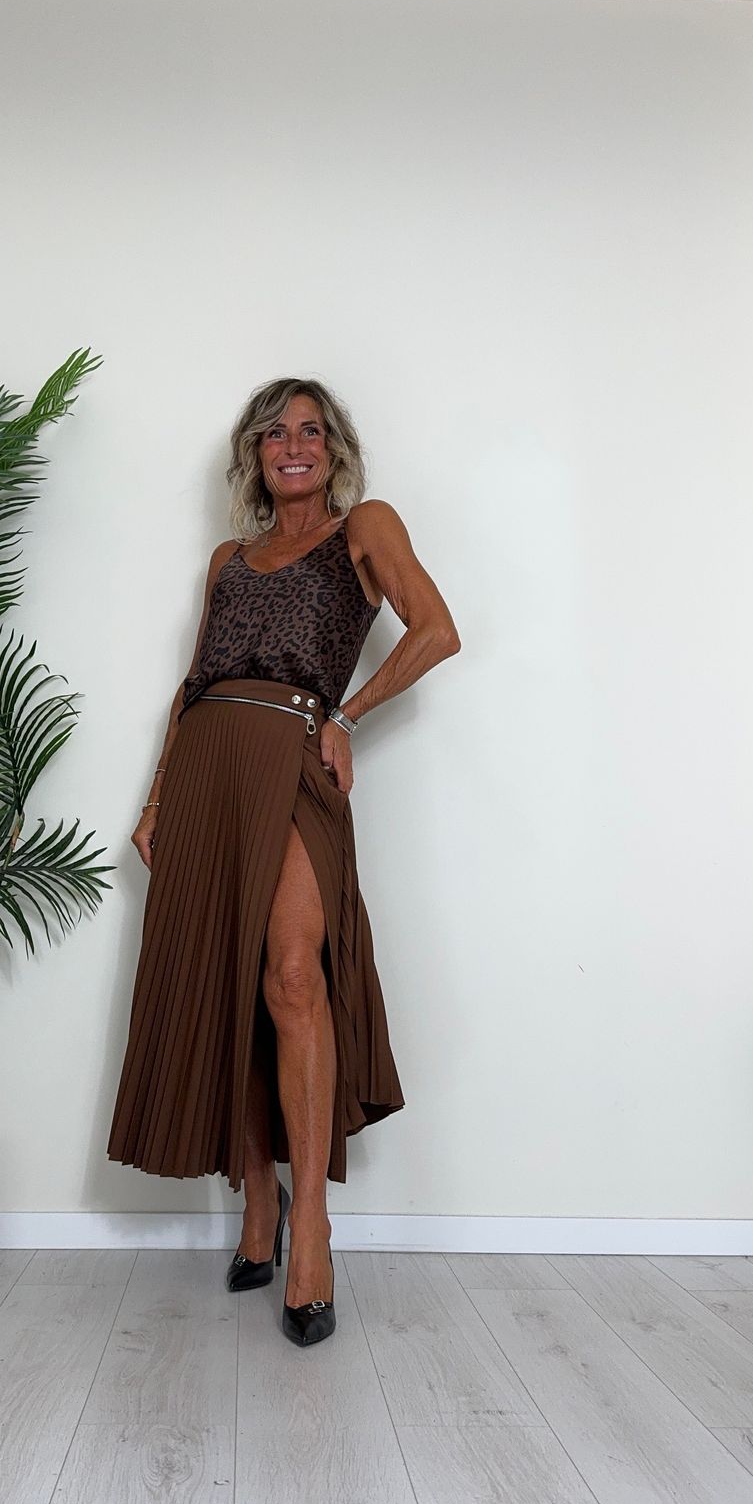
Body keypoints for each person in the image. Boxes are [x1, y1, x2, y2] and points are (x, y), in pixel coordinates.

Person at [106, 376, 460, 1345]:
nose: (291, 445)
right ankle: (257, 1203)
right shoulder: (227, 559)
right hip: (207, 766)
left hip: (291, 757)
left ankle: (313, 1230)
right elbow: (193, 683)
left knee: (293, 978)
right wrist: (155, 799)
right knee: (227, 986)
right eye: (273, 433)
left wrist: (347, 715)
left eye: (309, 430)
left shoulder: (363, 528)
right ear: (253, 456)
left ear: (332, 448)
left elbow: (436, 631)